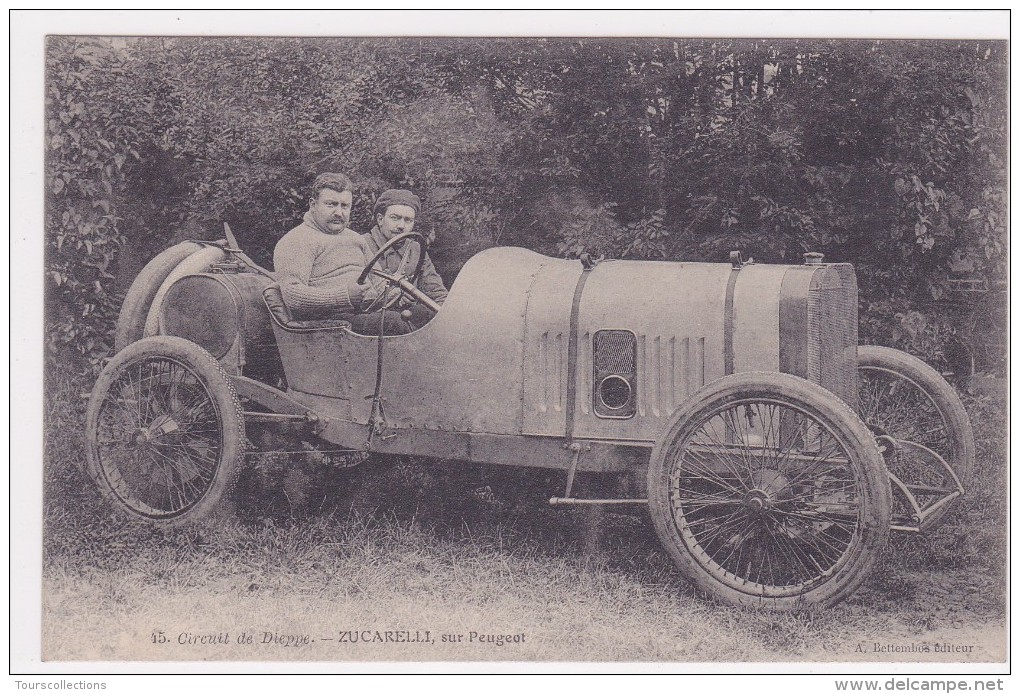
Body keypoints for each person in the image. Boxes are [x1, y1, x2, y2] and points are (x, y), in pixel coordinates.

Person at [273, 173, 412, 334]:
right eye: (331, 204)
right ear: (313, 204)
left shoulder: (355, 238)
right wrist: (344, 295)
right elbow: (292, 297)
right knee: (393, 322)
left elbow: (379, 283)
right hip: (329, 324)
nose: (339, 213)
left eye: (344, 206)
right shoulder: (297, 240)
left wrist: (398, 295)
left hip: (364, 314)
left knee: (424, 314)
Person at [364, 189, 448, 318]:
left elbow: (436, 291)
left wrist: (448, 313)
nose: (401, 226)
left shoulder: (416, 249)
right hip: (372, 320)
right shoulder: (362, 245)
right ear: (380, 219)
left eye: (408, 220)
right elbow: (359, 295)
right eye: (395, 218)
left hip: (408, 318)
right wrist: (396, 298)